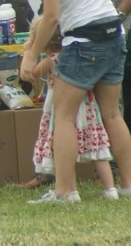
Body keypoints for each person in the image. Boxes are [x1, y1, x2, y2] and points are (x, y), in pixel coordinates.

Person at [20, 0, 131, 203]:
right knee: (112, 114)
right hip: (114, 35)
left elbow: (52, 15)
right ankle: (127, 186)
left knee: (64, 116)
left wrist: (31, 54)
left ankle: (65, 191)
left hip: (84, 42)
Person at [18, 16, 118, 199]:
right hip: (87, 108)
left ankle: (71, 190)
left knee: (64, 151)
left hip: (62, 109)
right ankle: (110, 189)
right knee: (99, 150)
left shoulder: (51, 60)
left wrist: (28, 51)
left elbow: (30, 75)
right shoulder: (76, 56)